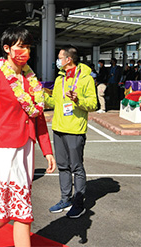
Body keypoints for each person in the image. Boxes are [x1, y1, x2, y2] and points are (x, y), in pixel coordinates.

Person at [0, 27, 56, 247]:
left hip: (27, 147)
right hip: (5, 149)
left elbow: (38, 116)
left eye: (27, 46)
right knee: (10, 207)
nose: (24, 51)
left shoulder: (30, 79)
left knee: (21, 208)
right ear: (7, 48)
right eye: (19, 46)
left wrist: (47, 150)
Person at [45, 45, 97, 219]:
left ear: (69, 59)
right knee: (62, 166)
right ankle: (64, 199)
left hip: (75, 129)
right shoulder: (60, 78)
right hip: (58, 127)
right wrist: (41, 95)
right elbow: (54, 102)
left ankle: (79, 203)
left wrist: (78, 99)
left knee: (76, 167)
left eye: (60, 57)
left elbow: (93, 104)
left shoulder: (86, 79)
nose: (57, 60)